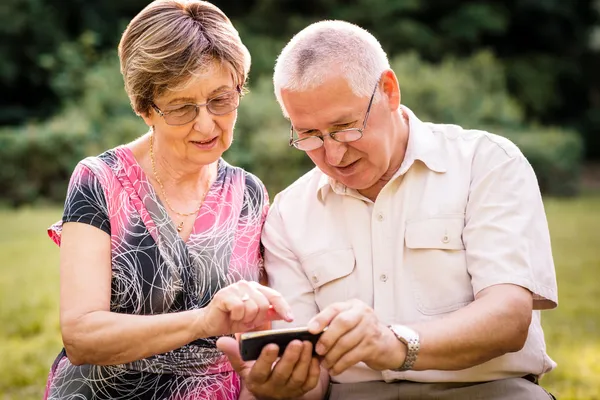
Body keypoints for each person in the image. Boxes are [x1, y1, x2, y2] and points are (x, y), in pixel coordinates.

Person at [217, 20, 558, 399]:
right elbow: (312, 381)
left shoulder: (487, 163)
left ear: (389, 91)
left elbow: (509, 319)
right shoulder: (289, 212)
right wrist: (282, 385)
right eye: (309, 135)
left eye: (345, 126)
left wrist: (394, 344)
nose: (333, 154)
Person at [42, 1, 294, 399]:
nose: (207, 123)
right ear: (145, 108)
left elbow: (258, 333)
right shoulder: (100, 179)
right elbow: (81, 335)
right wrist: (203, 322)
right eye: (181, 108)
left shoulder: (248, 193)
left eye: (221, 100)